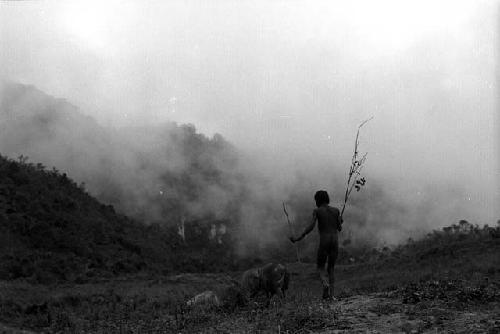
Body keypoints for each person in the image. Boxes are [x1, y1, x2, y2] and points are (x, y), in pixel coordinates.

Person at [290, 190, 342, 300]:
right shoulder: (336, 211)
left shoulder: (317, 211)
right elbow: (339, 228)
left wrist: (298, 237)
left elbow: (311, 227)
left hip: (325, 240)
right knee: (331, 268)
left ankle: (325, 284)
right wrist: (340, 221)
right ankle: (332, 296)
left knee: (320, 267)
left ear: (317, 200)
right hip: (335, 241)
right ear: (327, 198)